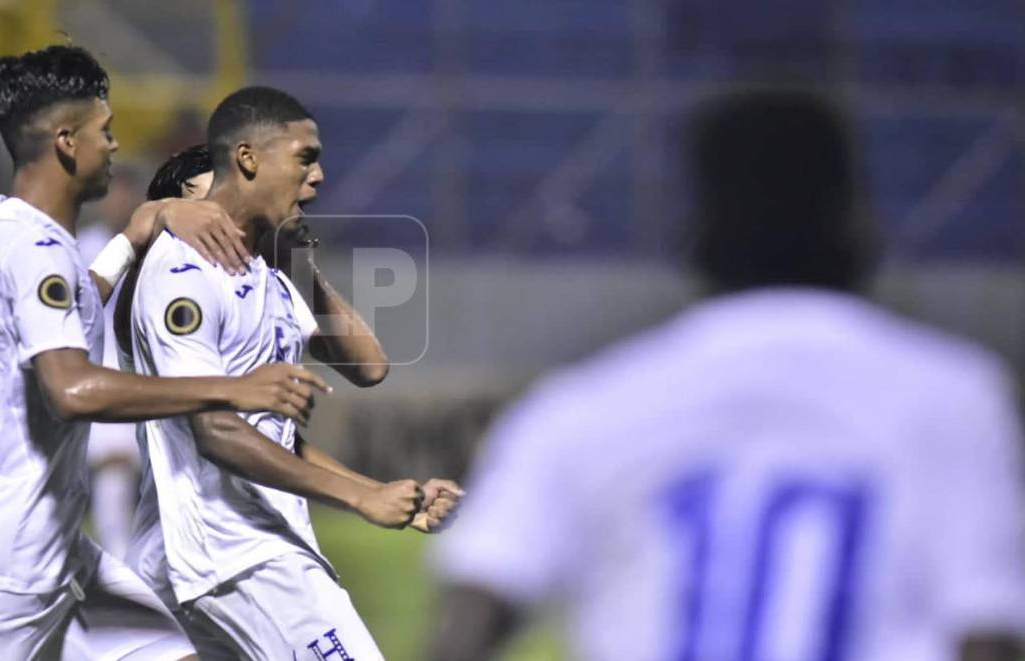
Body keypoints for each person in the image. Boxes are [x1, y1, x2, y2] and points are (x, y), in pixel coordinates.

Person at [430, 88, 1025, 661]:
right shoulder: (951, 397)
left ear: (697, 225)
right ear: (853, 218)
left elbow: (476, 613)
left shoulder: (584, 405)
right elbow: (986, 631)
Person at [0, 46, 331, 660]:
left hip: (59, 556)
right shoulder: (35, 249)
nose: (113, 146)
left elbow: (71, 311)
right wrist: (230, 388)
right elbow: (72, 388)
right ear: (65, 142)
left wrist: (136, 232)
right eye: (103, 132)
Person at [124, 87, 463, 659]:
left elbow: (367, 365)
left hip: (234, 549)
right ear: (248, 160)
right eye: (305, 157)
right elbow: (218, 432)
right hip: (236, 552)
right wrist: (358, 501)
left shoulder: (267, 275)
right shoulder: (183, 273)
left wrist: (378, 492)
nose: (319, 177)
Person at [76, 164, 147, 560]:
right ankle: (119, 562)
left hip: (153, 374)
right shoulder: (84, 248)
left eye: (127, 195)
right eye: (113, 195)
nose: (120, 203)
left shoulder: (157, 249)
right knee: (113, 469)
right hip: (103, 373)